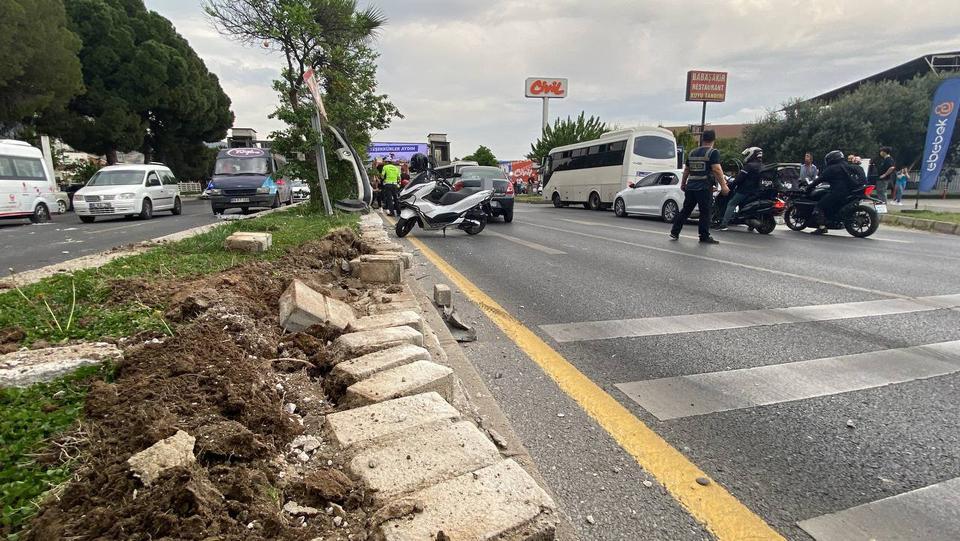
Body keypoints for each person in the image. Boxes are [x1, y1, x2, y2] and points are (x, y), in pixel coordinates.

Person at [670, 129, 730, 243]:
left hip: (691, 187)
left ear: (702, 139)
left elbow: (686, 169)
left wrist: (683, 183)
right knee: (705, 212)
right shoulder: (713, 152)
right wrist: (724, 186)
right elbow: (716, 169)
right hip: (704, 187)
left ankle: (674, 231)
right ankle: (704, 236)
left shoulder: (692, 152)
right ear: (713, 140)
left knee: (686, 210)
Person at [807, 150, 862, 234]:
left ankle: (822, 227)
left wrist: (809, 188)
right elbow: (859, 170)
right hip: (850, 192)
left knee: (819, 207)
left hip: (837, 192)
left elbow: (819, 180)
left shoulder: (831, 169)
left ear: (831, 159)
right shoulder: (847, 166)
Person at [716, 147, 763, 230]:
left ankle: (724, 224)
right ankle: (750, 225)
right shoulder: (762, 166)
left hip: (744, 190)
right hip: (757, 191)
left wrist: (731, 185)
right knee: (743, 205)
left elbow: (739, 179)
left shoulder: (749, 166)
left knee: (731, 203)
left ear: (752, 154)